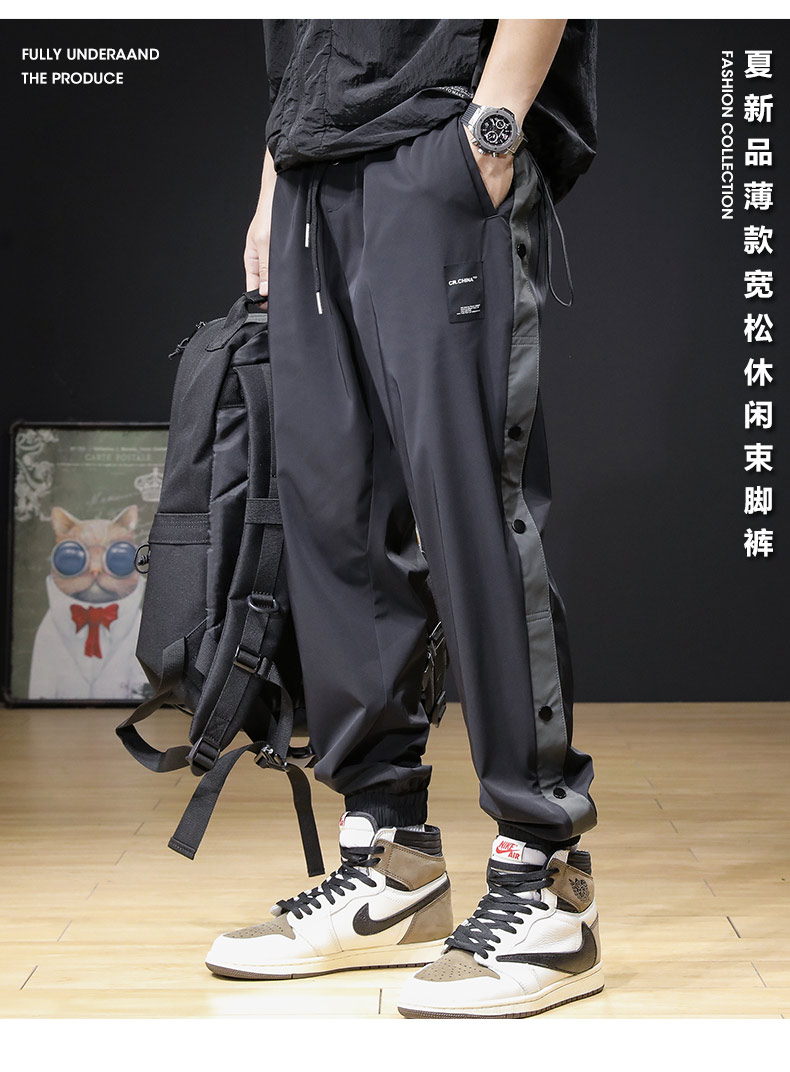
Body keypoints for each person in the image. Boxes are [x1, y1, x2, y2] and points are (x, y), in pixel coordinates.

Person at [205, 18, 602, 1019]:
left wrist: (493, 129)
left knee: (473, 511)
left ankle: (543, 879)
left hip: (439, 136)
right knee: (335, 519)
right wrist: (274, 179)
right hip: (310, 170)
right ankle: (391, 861)